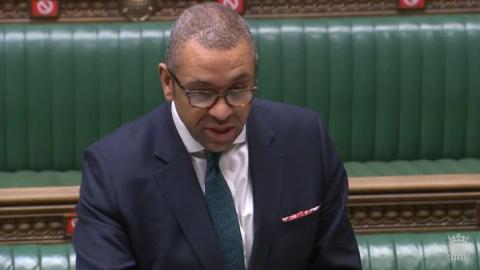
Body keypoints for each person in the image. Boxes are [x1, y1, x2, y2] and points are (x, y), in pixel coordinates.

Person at [73, 2, 361, 270]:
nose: (222, 112)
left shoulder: (306, 141)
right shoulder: (113, 171)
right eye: (202, 93)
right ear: (167, 82)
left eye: (238, 89)